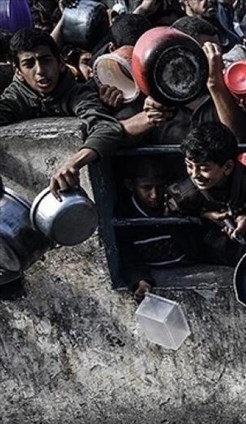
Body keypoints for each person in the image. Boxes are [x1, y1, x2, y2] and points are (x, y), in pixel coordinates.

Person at [0, 28, 123, 198]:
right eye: (29, 64)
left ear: (60, 63)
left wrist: (74, 162)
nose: (40, 70)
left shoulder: (78, 93)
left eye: (46, 60)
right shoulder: (14, 96)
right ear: (18, 72)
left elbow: (106, 127)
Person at [167, 122, 246, 265]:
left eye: (204, 168)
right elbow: (172, 211)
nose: (195, 175)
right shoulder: (185, 193)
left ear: (227, 167)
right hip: (207, 261)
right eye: (189, 166)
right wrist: (204, 215)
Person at [115, 157, 201, 302]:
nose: (154, 195)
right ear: (131, 185)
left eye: (159, 187)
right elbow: (127, 257)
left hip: (189, 268)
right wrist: (140, 280)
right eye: (146, 188)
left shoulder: (176, 204)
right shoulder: (125, 215)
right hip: (156, 274)